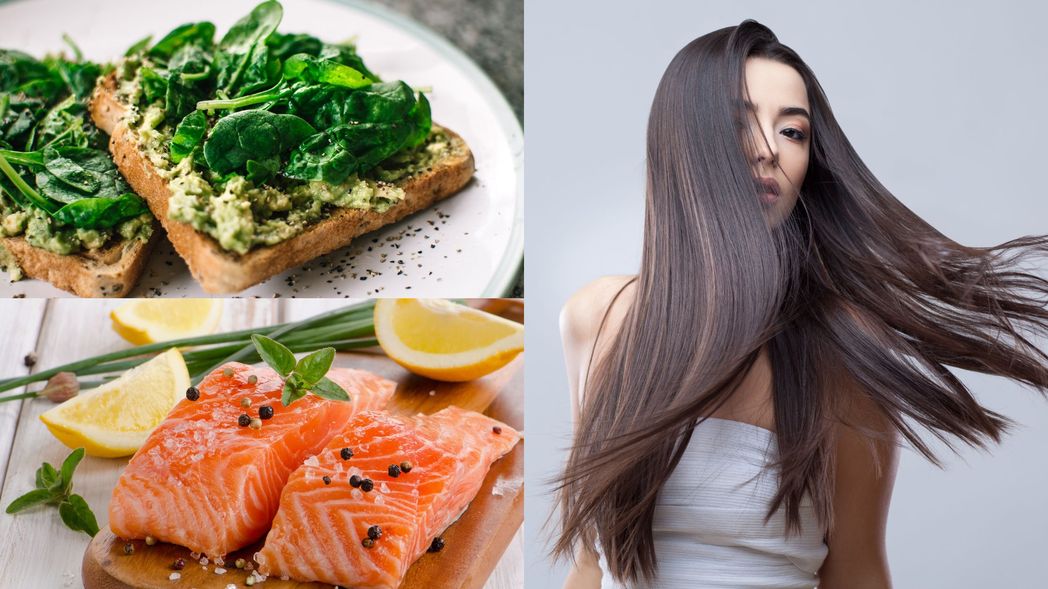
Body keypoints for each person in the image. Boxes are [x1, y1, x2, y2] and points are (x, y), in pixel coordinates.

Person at [552, 20, 1048, 589]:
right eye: (740, 124)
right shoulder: (598, 317)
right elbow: (589, 563)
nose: (767, 150)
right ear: (682, 142)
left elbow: (857, 571)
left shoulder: (841, 345)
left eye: (792, 132)